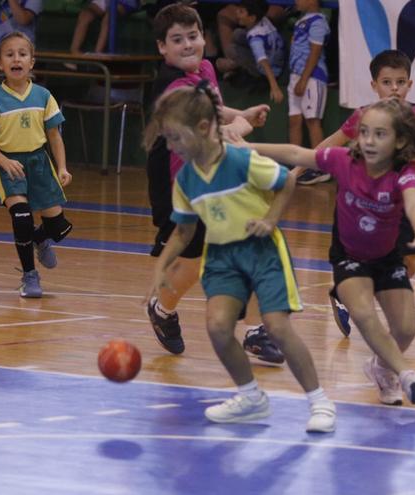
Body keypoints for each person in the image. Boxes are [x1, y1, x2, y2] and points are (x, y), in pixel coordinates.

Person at [143, 83, 336, 432]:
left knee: (277, 327)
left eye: (175, 138)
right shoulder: (186, 179)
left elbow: (285, 183)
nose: (170, 146)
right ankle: (250, 397)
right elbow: (184, 231)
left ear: (203, 129)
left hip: (261, 252)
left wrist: (270, 219)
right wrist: (160, 267)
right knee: (217, 326)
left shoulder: (241, 160)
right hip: (221, 257)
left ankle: (320, 401)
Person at [249, 98, 415, 406]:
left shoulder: (401, 174)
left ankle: (381, 367)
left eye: (380, 134)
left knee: (405, 330)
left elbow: (414, 201)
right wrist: (249, 149)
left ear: (400, 140)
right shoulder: (343, 161)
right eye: (364, 132)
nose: (368, 141)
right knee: (363, 314)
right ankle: (407, 375)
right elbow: (298, 153)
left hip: (387, 259)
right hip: (349, 257)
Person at [144, 3, 283, 364]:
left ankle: (254, 332)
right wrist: (240, 130)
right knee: (192, 264)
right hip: (183, 188)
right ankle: (162, 309)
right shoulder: (172, 88)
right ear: (162, 47)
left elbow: (215, 109)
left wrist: (242, 114)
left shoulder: (205, 69)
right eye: (177, 40)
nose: (188, 44)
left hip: (217, 181)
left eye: (193, 36)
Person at [317, 49, 415, 348]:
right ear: (374, 85)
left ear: (410, 85)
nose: (394, 88)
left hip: (397, 202)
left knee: (411, 266)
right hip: (368, 204)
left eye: (400, 82)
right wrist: (298, 169)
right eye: (387, 82)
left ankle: (344, 292)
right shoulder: (363, 116)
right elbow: (329, 146)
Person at [0, 32, 74, 298]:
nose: (16, 59)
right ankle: (30, 276)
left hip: (40, 162)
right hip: (8, 163)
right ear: (0, 63)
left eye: (22, 54)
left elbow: (55, 136)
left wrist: (62, 167)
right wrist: (4, 162)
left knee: (60, 229)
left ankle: (41, 238)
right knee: (21, 217)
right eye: (9, 54)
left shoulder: (43, 96)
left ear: (32, 62)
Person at [287, 0, 332, 185]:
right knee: (295, 120)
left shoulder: (319, 22)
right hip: (295, 76)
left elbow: (315, 51)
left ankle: (320, 168)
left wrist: (305, 79)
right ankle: (295, 167)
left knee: (312, 120)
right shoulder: (301, 20)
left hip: (313, 77)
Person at [215, 0, 286, 102]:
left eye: (241, 12)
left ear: (252, 18)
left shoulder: (255, 38)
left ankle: (236, 66)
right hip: (273, 53)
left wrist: (274, 87)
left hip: (269, 70)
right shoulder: (264, 20)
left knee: (231, 50)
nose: (237, 13)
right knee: (237, 34)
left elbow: (263, 61)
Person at [67, 0, 140, 59]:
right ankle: (74, 53)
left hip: (124, 2)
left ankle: (97, 54)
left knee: (109, 16)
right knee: (85, 15)